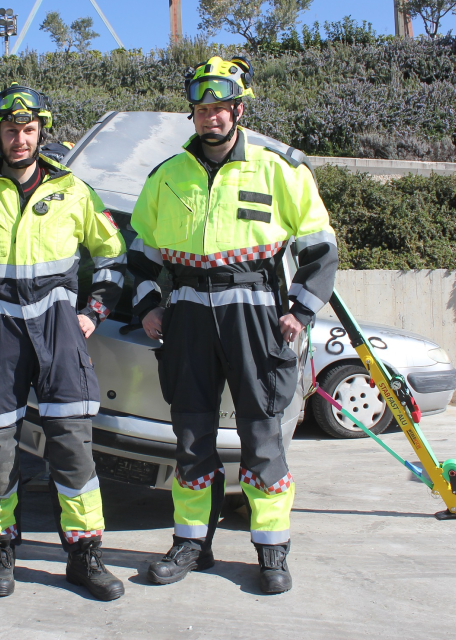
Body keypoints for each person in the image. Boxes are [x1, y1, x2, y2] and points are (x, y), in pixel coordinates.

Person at [129, 56, 338, 594]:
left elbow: (320, 250)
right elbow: (139, 254)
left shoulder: (278, 170)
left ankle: (271, 550)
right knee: (191, 435)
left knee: (263, 434)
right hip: (189, 317)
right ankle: (191, 544)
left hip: (256, 320)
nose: (210, 118)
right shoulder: (166, 176)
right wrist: (149, 305)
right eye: (201, 109)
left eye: (220, 108)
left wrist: (299, 310)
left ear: (238, 110)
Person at [0, 84, 128, 600]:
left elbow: (111, 256)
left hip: (60, 330)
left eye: (29, 130)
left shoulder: (73, 192)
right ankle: (1, 549)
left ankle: (84, 556)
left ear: (42, 133)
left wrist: (92, 313)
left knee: (73, 445)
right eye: (11, 130)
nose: (20, 139)